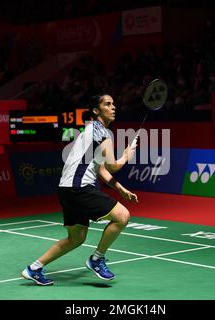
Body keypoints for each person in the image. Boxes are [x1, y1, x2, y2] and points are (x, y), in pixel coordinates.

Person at [22, 94, 138, 285]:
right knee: (122, 216)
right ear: (96, 110)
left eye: (113, 104)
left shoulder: (89, 131)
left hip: (66, 190)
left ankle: (34, 268)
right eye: (107, 104)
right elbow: (113, 166)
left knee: (76, 238)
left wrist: (120, 188)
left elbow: (100, 169)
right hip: (79, 188)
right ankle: (97, 259)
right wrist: (126, 155)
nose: (113, 107)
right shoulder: (103, 133)